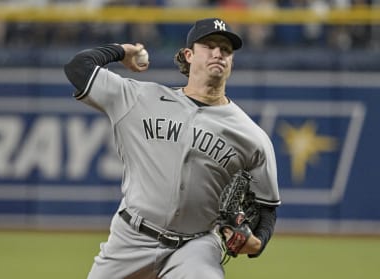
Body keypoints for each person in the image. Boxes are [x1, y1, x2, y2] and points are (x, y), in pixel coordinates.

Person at [64, 17, 281, 279]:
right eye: (209, 46)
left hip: (196, 246)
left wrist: (257, 243)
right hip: (131, 238)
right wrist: (122, 50)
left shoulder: (251, 136)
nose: (218, 53)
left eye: (225, 49)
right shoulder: (140, 98)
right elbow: (78, 68)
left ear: (231, 61)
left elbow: (266, 206)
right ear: (188, 55)